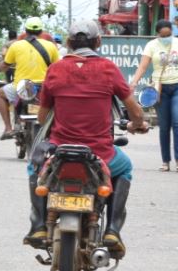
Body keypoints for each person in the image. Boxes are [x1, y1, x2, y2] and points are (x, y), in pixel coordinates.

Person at [27, 19, 150, 256]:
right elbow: (134, 109)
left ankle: (40, 226)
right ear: (98, 42)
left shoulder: (56, 69)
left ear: (70, 43)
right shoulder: (108, 68)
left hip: (58, 150)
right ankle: (113, 230)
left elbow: (42, 118)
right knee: (124, 169)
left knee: (34, 169)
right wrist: (137, 124)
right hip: (100, 153)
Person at [130, 19, 178, 172]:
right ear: (158, 34)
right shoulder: (151, 46)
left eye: (169, 34)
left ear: (172, 32)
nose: (166, 37)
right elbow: (143, 66)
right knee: (164, 126)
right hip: (160, 89)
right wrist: (134, 82)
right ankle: (165, 161)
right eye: (163, 35)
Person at [0, 17, 60, 140]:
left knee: (0, 94)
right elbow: (57, 67)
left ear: (25, 31)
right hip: (44, 88)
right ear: (41, 32)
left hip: (23, 88)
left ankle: (8, 128)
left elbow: (5, 65)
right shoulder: (51, 46)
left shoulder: (16, 46)